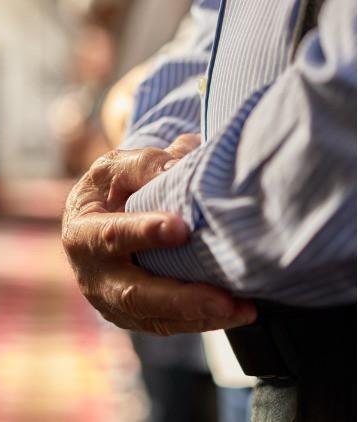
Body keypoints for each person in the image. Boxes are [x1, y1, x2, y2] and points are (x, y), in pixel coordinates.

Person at [61, 0, 356, 420]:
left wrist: (132, 217)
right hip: (265, 359)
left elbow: (332, 144)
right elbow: (214, 31)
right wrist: (138, 166)